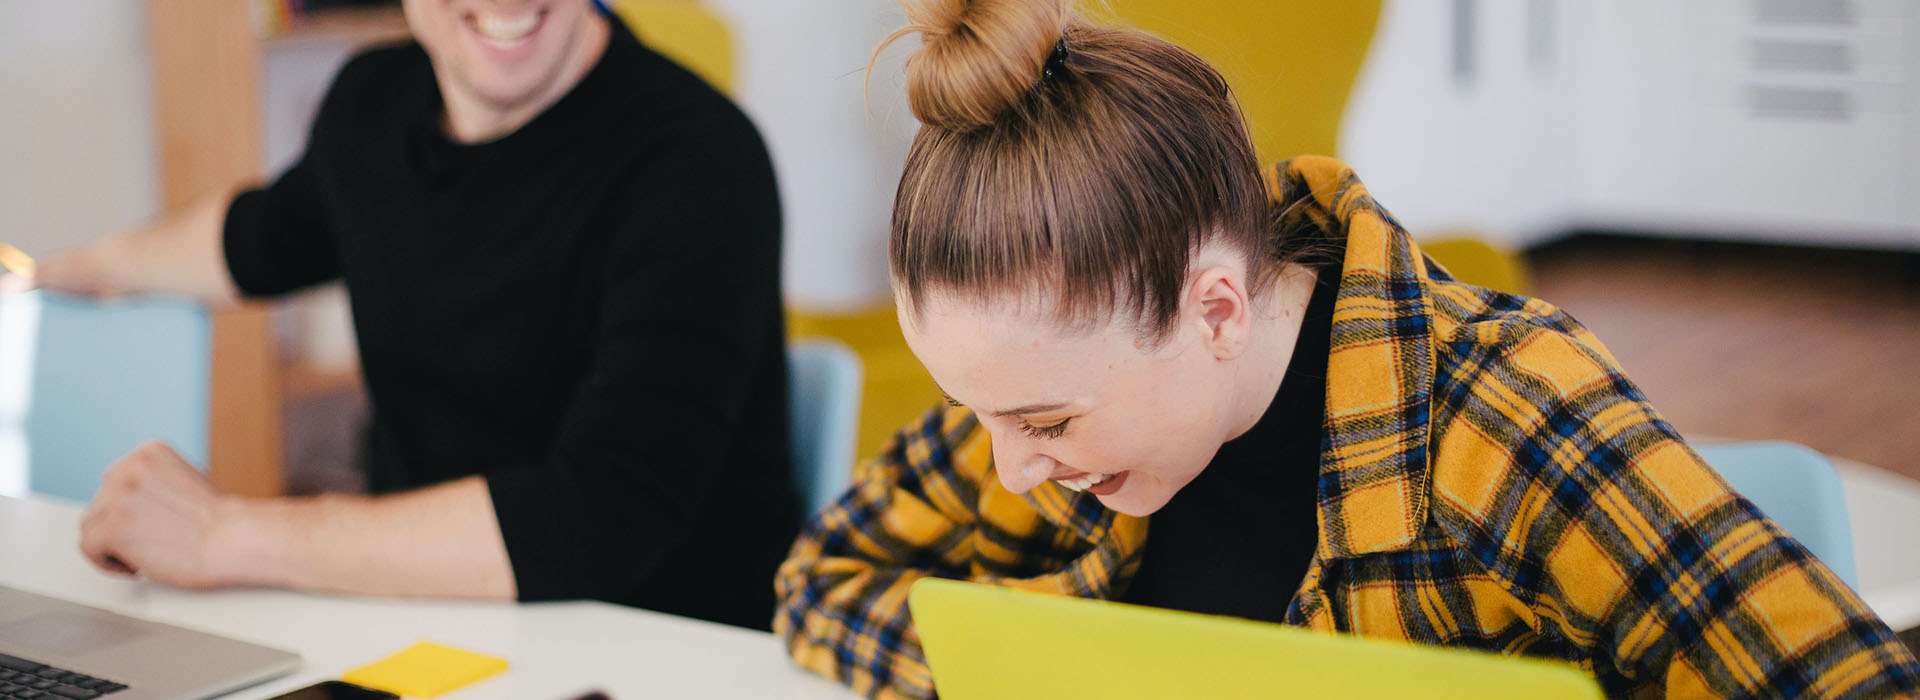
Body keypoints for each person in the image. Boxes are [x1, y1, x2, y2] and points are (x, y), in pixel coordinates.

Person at [772, 0, 1920, 694]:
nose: (1009, 464)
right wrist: (1016, 672)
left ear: (1215, 309)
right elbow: (822, 582)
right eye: (980, 412)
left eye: (1045, 423)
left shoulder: (1505, 416)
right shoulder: (1046, 401)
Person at [4, 0, 795, 631]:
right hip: (417, 631)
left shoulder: (700, 159)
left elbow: (600, 515)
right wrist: (75, 269)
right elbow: (261, 236)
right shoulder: (373, 101)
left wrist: (225, 534)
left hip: (650, 652)